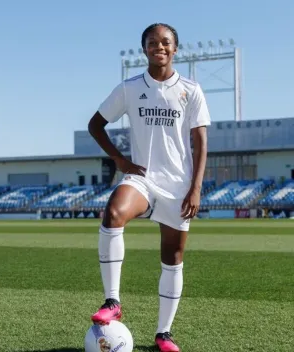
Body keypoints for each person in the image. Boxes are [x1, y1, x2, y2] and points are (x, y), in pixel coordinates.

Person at [87, 23, 210, 352]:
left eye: (166, 42)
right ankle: (112, 301)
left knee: (173, 257)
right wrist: (119, 159)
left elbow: (200, 143)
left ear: (175, 49)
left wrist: (196, 188)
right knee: (113, 212)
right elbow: (95, 124)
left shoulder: (190, 90)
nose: (160, 46)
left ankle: (163, 334)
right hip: (141, 177)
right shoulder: (129, 88)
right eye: (152, 42)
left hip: (178, 186)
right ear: (144, 49)